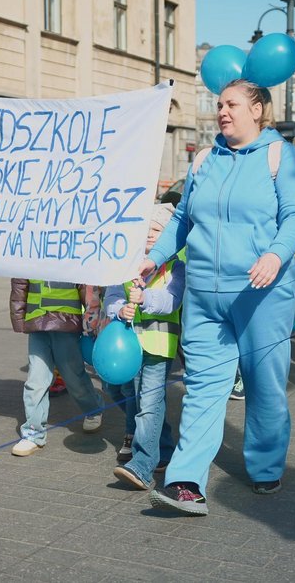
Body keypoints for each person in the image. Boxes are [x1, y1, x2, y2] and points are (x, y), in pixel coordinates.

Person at [142, 78, 295, 516]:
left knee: (264, 385)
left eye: (232, 104)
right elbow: (181, 219)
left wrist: (276, 255)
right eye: (220, 104)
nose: (223, 111)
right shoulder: (203, 160)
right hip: (203, 295)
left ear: (258, 110)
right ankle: (185, 483)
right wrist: (155, 259)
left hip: (262, 295)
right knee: (202, 388)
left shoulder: (278, 156)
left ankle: (266, 466)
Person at [107, 204, 183, 491]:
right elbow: (112, 296)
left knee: (148, 405)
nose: (150, 235)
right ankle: (163, 451)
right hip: (128, 346)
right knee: (131, 398)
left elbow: (172, 300)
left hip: (158, 346)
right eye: (146, 229)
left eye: (157, 230)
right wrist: (119, 309)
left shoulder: (176, 265)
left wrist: (144, 298)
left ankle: (142, 465)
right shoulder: (126, 264)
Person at [8, 279, 105, 456]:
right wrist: (18, 318)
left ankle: (93, 409)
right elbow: (20, 284)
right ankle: (33, 433)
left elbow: (86, 285)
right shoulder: (29, 253)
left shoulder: (72, 250)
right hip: (37, 320)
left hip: (65, 321)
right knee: (36, 380)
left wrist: (93, 318)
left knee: (73, 376)